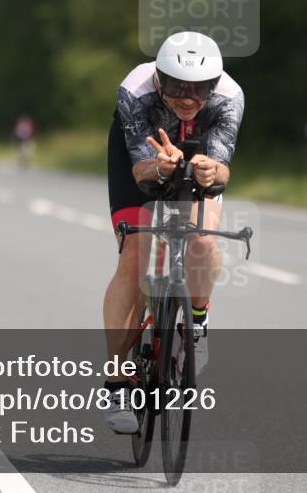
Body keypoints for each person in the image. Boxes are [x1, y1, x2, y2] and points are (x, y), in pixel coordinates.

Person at [103, 31, 244, 434]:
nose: (187, 98)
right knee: (133, 257)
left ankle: (196, 320)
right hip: (144, 160)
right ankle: (116, 380)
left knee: (203, 238)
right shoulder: (135, 91)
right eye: (177, 86)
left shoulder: (229, 97)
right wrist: (159, 167)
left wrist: (212, 172)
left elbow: (222, 170)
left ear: (214, 85)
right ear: (159, 79)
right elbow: (139, 171)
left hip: (200, 155)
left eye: (199, 89)